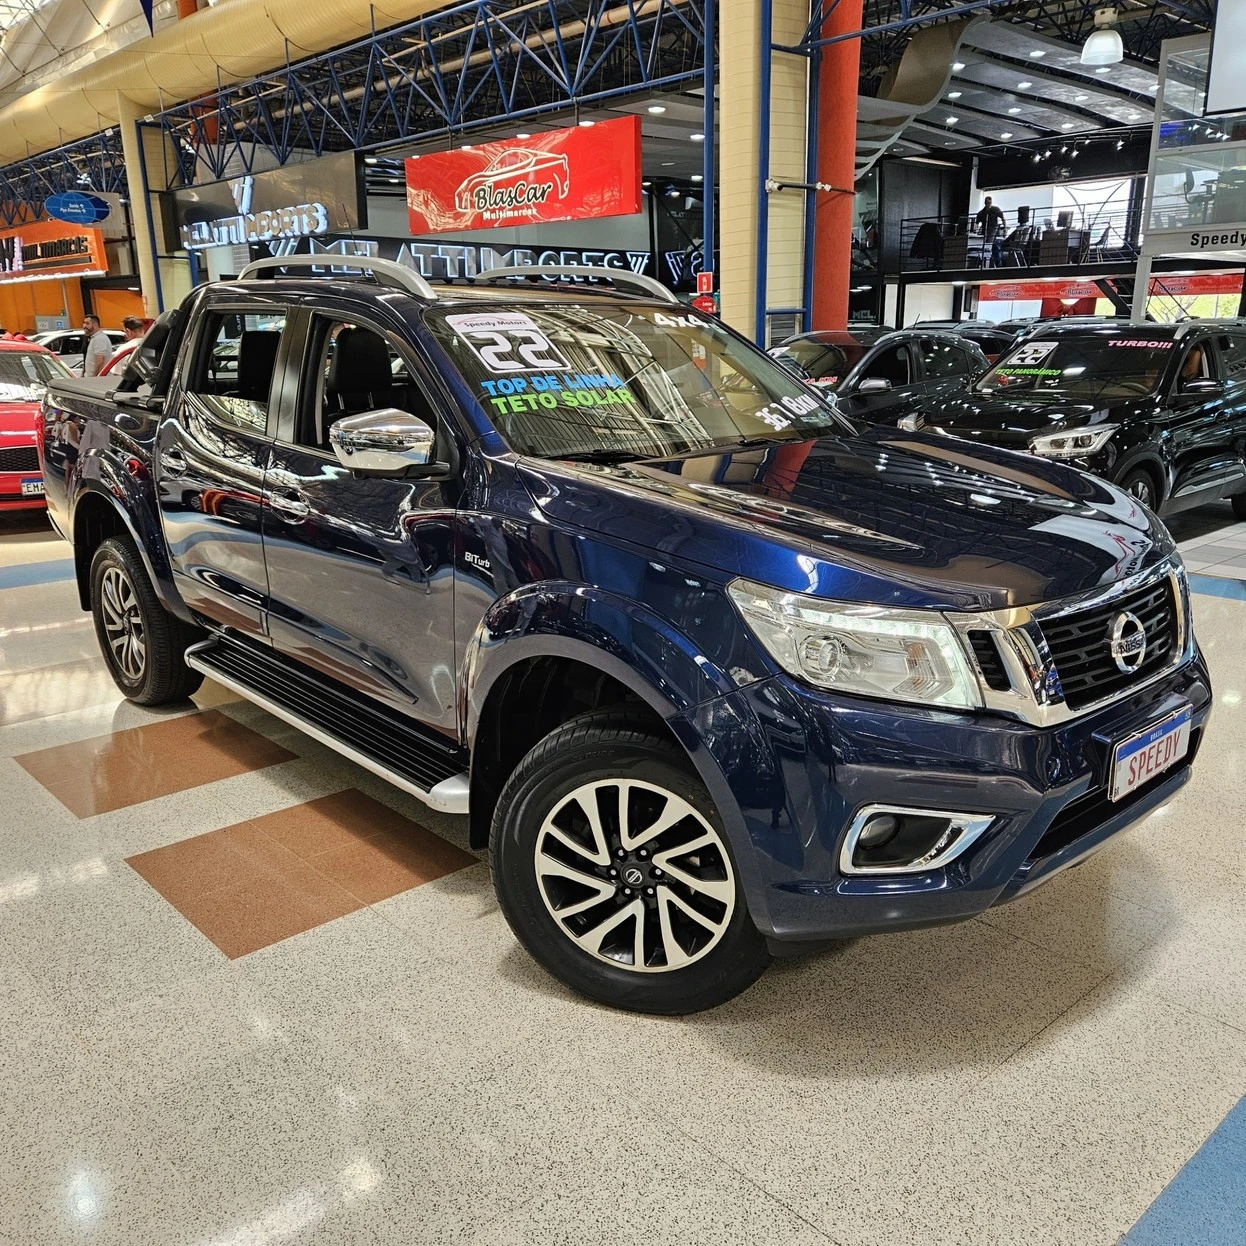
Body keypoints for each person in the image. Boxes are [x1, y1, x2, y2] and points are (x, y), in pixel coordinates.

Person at [975, 196, 1006, 268]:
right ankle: (987, 263)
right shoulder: (981, 213)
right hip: (985, 231)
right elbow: (976, 223)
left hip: (993, 230)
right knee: (989, 246)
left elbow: (1003, 218)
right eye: (987, 203)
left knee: (992, 246)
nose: (988, 204)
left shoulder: (995, 209)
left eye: (989, 203)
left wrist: (1005, 228)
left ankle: (996, 264)